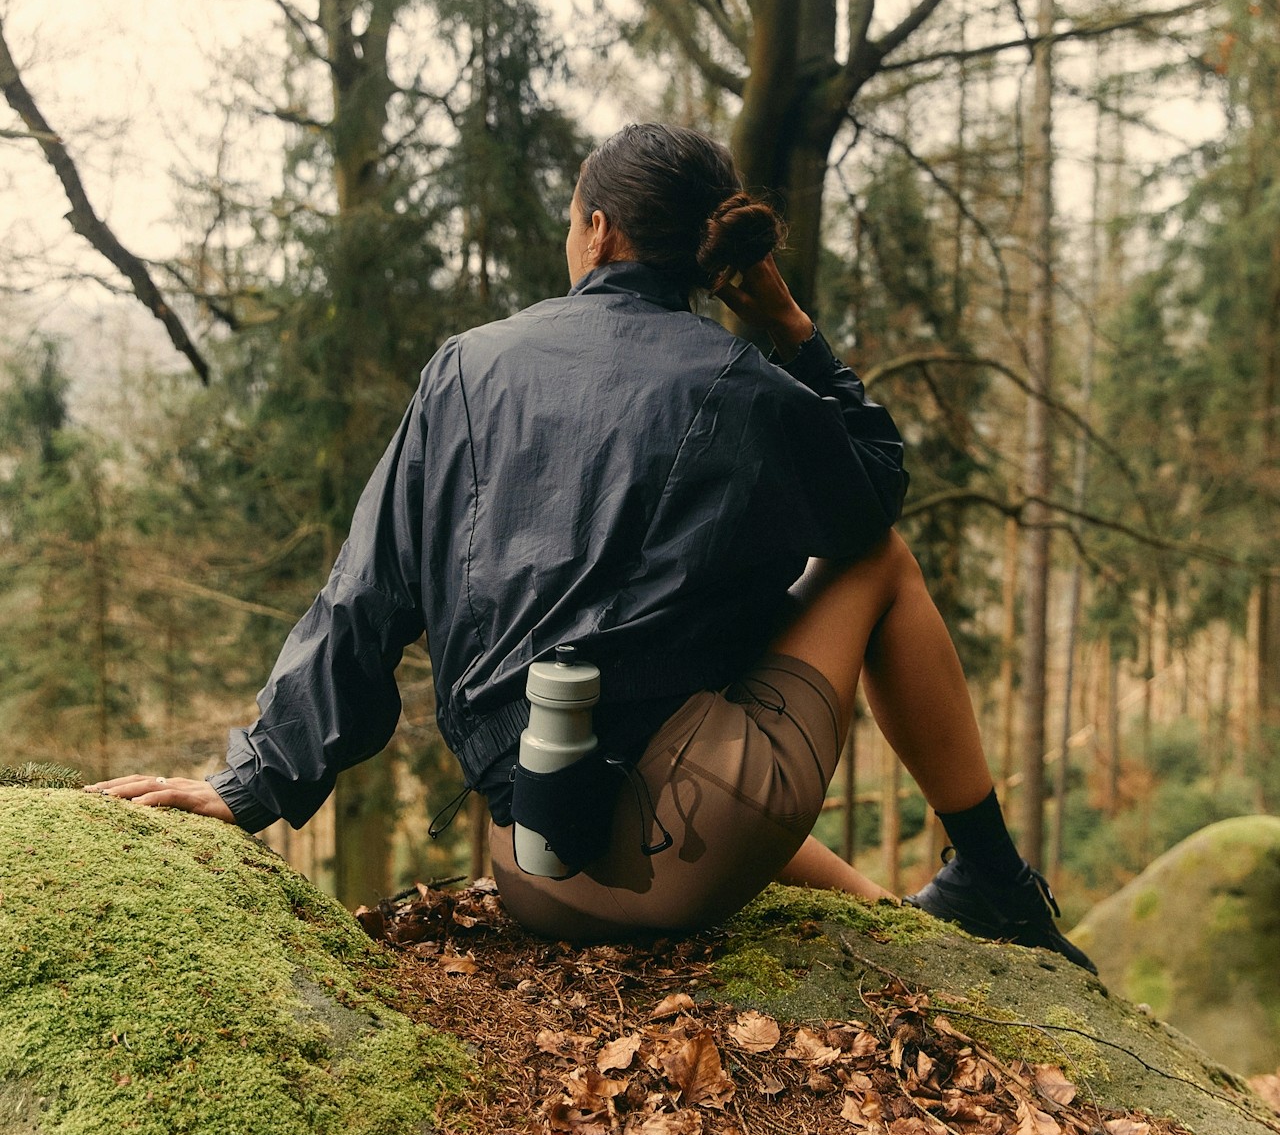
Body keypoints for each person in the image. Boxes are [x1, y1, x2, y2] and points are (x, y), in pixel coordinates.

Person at [91, 122, 1092, 968]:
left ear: (596, 227)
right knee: (871, 561)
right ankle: (991, 879)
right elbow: (873, 491)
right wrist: (789, 324)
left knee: (649, 711)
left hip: (536, 869)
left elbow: (365, 595)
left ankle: (885, 913)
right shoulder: (742, 388)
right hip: (684, 856)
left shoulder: (466, 371)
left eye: (570, 215)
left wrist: (249, 784)